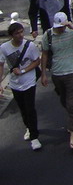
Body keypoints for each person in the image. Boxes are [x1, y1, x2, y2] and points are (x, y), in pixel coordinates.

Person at [40, 12, 73, 152]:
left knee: (71, 104)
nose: (60, 29)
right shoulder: (48, 35)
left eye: (62, 26)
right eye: (58, 27)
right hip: (57, 74)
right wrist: (43, 73)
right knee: (64, 100)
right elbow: (44, 53)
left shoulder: (72, 32)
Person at [0, 21, 43, 150]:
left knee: (30, 108)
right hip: (15, 84)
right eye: (16, 33)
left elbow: (37, 61)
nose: (20, 35)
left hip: (29, 81)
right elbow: (1, 65)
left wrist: (23, 71)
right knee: (23, 109)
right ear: (11, 35)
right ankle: (29, 128)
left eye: (21, 32)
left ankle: (35, 137)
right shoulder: (4, 48)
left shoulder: (29, 46)